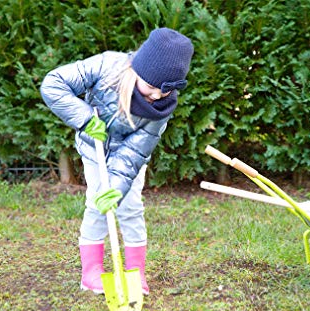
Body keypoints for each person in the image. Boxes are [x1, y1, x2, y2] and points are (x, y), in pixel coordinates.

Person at [40, 28, 194, 295]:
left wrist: (117, 187)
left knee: (130, 206)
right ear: (138, 71)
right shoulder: (106, 66)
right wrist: (86, 119)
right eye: (151, 87)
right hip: (94, 149)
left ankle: (136, 272)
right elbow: (53, 84)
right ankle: (91, 273)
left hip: (128, 158)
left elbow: (135, 152)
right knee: (97, 203)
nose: (156, 97)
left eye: (164, 92)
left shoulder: (161, 110)